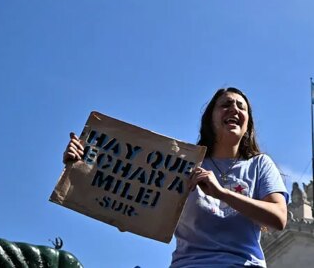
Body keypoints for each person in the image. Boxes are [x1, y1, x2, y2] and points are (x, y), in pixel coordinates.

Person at [62, 87, 289, 267]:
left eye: (242, 107)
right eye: (226, 104)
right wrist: (83, 163)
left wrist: (222, 193)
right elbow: (132, 204)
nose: (235, 110)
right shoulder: (184, 164)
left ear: (248, 122)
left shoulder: (260, 164)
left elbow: (278, 218)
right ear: (210, 118)